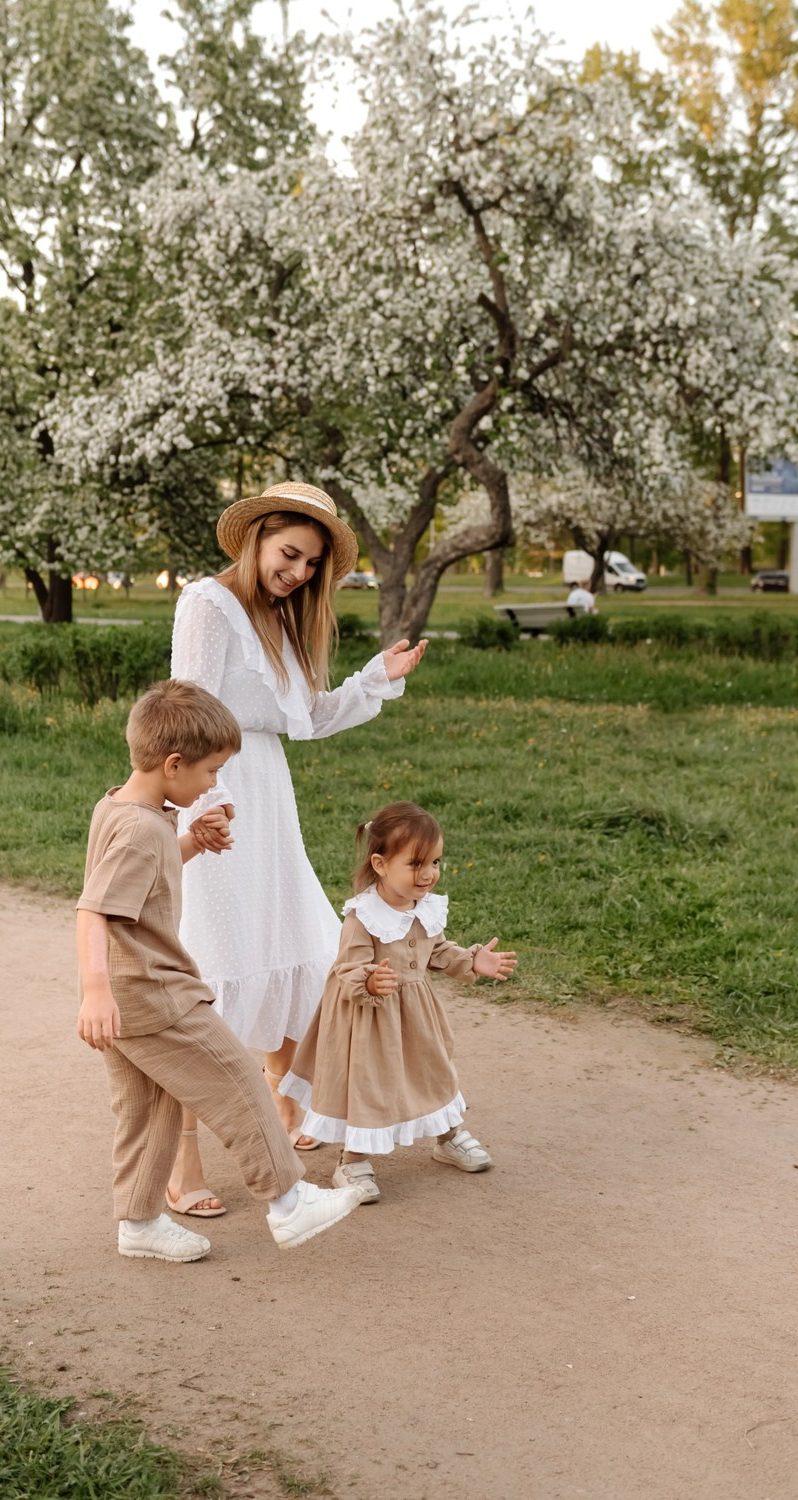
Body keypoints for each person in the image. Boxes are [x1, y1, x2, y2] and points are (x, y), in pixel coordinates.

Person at [167, 481, 428, 1218]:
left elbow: (307, 717)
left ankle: (285, 1101)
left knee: (288, 943)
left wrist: (375, 681)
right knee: (213, 965)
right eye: (290, 554)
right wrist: (205, 807)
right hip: (216, 790)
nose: (299, 572)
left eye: (312, 564)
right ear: (257, 538)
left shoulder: (280, 618)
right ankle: (181, 1158)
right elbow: (187, 709)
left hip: (268, 795)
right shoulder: (207, 603)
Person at [75, 678, 363, 1258]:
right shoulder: (140, 830)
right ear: (173, 764)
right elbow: (93, 909)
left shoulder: (123, 808)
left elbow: (144, 872)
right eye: (211, 772)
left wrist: (191, 844)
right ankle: (288, 1203)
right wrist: (95, 990)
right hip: (154, 991)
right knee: (238, 1080)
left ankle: (139, 1224)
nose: (213, 784)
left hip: (132, 995)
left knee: (147, 1109)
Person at [278, 802, 516, 1204]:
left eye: (435, 862)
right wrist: (370, 980)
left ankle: (448, 1136)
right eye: (416, 863)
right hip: (369, 1021)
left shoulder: (426, 907)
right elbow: (347, 969)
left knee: (433, 1070)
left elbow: (436, 950)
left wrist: (472, 959)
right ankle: (353, 1160)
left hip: (417, 1017)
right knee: (369, 1085)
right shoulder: (362, 916)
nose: (428, 873)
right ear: (381, 864)